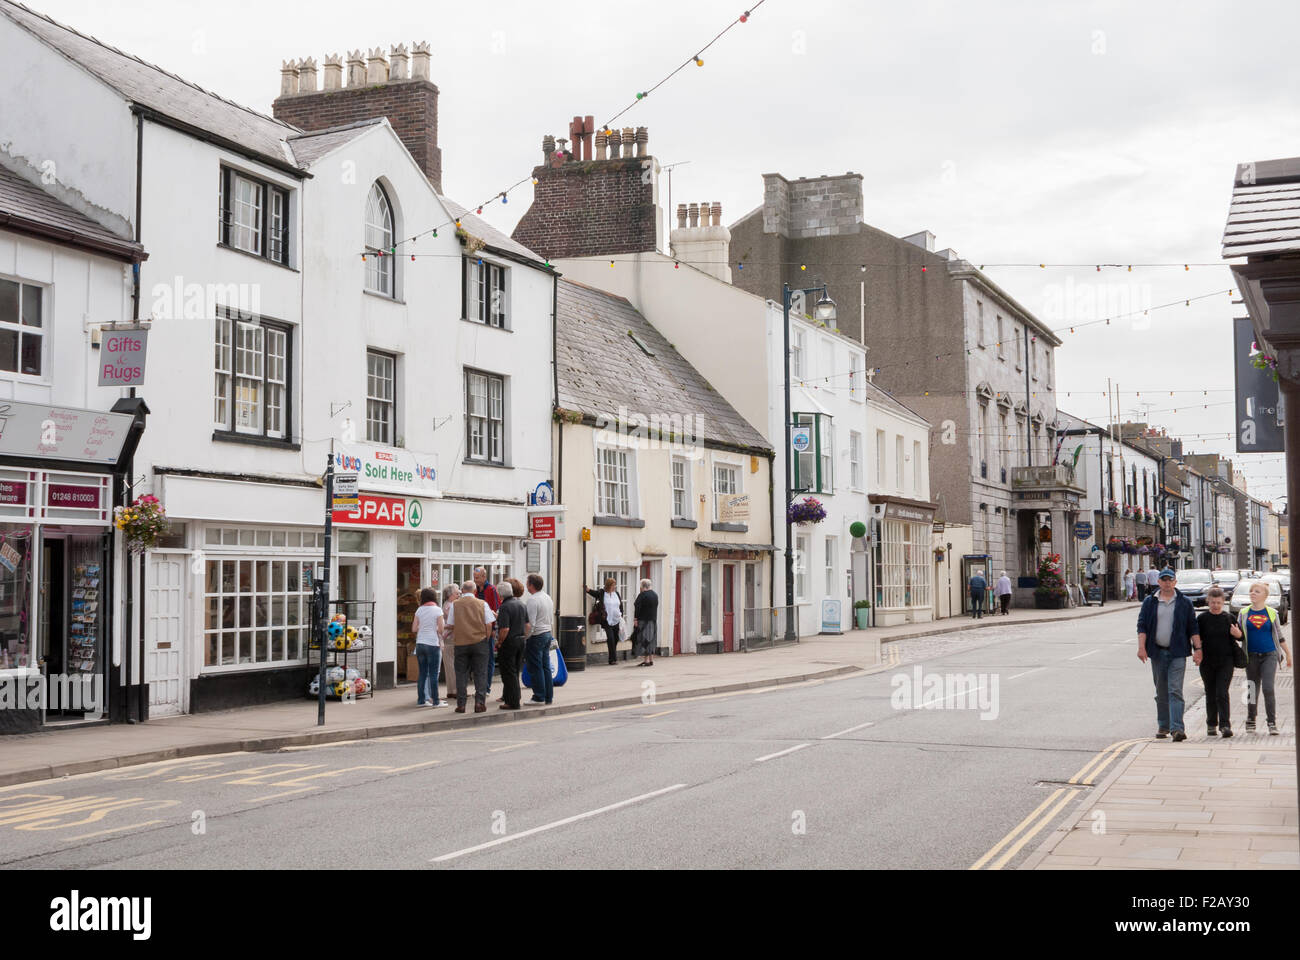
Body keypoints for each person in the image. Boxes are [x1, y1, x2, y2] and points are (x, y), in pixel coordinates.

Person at [1136, 568, 1200, 742]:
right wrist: (1141, 647)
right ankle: (1163, 725)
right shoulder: (1150, 602)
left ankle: (1177, 728)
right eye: (1163, 580)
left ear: (1175, 582)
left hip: (1177, 653)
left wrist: (1198, 650)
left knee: (1175, 690)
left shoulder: (1184, 602)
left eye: (1169, 580)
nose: (1166, 583)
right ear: (1158, 582)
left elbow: (1193, 627)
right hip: (1157, 652)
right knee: (1161, 691)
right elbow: (1142, 626)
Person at [1238, 580, 1293, 735]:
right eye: (1251, 591)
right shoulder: (1243, 613)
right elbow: (1240, 635)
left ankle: (1271, 722)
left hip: (1269, 654)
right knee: (1252, 688)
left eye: (1257, 591)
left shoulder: (1271, 613)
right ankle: (1251, 719)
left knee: (1268, 688)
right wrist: (1237, 635)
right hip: (1251, 656)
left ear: (1265, 596)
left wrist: (1288, 654)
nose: (1252, 594)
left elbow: (1279, 636)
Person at [448, 580, 497, 713]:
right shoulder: (482, 604)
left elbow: (451, 624)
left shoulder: (455, 605)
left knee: (461, 674)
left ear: (462, 591)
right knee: (480, 673)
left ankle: (461, 704)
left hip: (461, 643)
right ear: (475, 591)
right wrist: (486, 638)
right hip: (479, 641)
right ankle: (479, 703)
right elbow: (489, 624)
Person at [1196, 586, 1237, 738]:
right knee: (1210, 692)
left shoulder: (1229, 618)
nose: (1215, 605)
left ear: (1223, 602)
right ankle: (1211, 724)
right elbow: (1196, 638)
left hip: (1226, 661)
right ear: (1208, 602)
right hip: (1207, 661)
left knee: (1222, 692)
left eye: (1219, 602)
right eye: (1213, 602)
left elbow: (1241, 637)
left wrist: (1238, 634)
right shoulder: (1202, 619)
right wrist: (1197, 651)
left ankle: (1225, 725)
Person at [494, 579, 528, 710]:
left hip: (509, 642)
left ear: (500, 595)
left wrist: (499, 642)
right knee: (515, 672)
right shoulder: (521, 604)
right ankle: (513, 698)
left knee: (508, 673)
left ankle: (512, 702)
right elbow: (528, 625)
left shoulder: (504, 607)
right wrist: (524, 636)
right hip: (521, 640)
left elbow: (505, 629)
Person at [412, 587, 446, 707]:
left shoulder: (419, 610)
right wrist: (435, 628)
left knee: (422, 673)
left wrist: (424, 627)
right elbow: (441, 629)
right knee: (433, 674)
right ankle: (435, 701)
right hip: (432, 644)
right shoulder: (438, 610)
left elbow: (414, 629)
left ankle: (421, 701)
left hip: (420, 643)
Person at [524, 574, 555, 705]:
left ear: (531, 585)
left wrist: (526, 637)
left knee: (536, 667)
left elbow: (531, 623)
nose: (526, 585)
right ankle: (548, 696)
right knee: (545, 666)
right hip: (547, 633)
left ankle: (538, 696)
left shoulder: (532, 600)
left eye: (527, 582)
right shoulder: (547, 597)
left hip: (537, 635)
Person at [473, 567, 501, 699]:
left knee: (489, 660)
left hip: (489, 630)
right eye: (474, 577)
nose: (475, 580)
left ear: (484, 577)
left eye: (477, 577)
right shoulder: (475, 591)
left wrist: (494, 629)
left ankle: (487, 687)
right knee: (479, 660)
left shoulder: (492, 590)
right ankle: (480, 687)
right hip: (477, 630)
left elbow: (496, 610)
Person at [587, 577, 624, 664]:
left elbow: (620, 605)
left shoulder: (617, 594)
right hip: (606, 620)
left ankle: (613, 656)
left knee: (616, 638)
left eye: (615, 585)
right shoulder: (602, 593)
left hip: (616, 619)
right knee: (610, 638)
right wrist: (587, 589)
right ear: (608, 585)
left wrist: (621, 614)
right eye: (613, 585)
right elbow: (594, 593)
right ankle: (612, 659)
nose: (614, 586)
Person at [439, 583, 461, 701]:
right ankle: (454, 690)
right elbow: (454, 622)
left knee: (451, 665)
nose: (459, 595)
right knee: (451, 665)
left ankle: (453, 690)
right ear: (451, 594)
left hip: (451, 638)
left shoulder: (450, 605)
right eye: (457, 593)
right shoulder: (449, 606)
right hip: (449, 638)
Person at [632, 578, 659, 666]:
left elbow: (637, 607)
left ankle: (646, 660)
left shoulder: (642, 595)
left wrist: (635, 619)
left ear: (642, 586)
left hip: (644, 621)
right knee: (651, 639)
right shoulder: (655, 595)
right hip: (653, 621)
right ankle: (651, 659)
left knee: (645, 639)